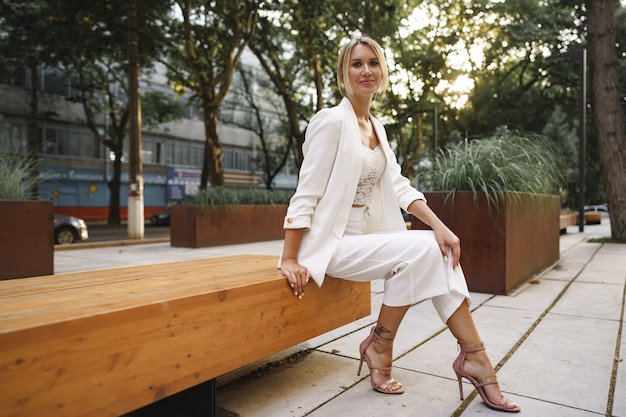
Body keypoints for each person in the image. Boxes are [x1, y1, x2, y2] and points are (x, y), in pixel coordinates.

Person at [279, 35, 521, 413]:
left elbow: (397, 184)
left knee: (438, 251)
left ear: (383, 71)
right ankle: (407, 348)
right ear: (344, 72)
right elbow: (306, 192)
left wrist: (440, 225)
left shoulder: (377, 126)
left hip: (369, 236)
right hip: (332, 243)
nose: (366, 71)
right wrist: (290, 257)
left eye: (373, 63)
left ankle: (468, 355)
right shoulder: (330, 121)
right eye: (357, 63)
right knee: (425, 249)